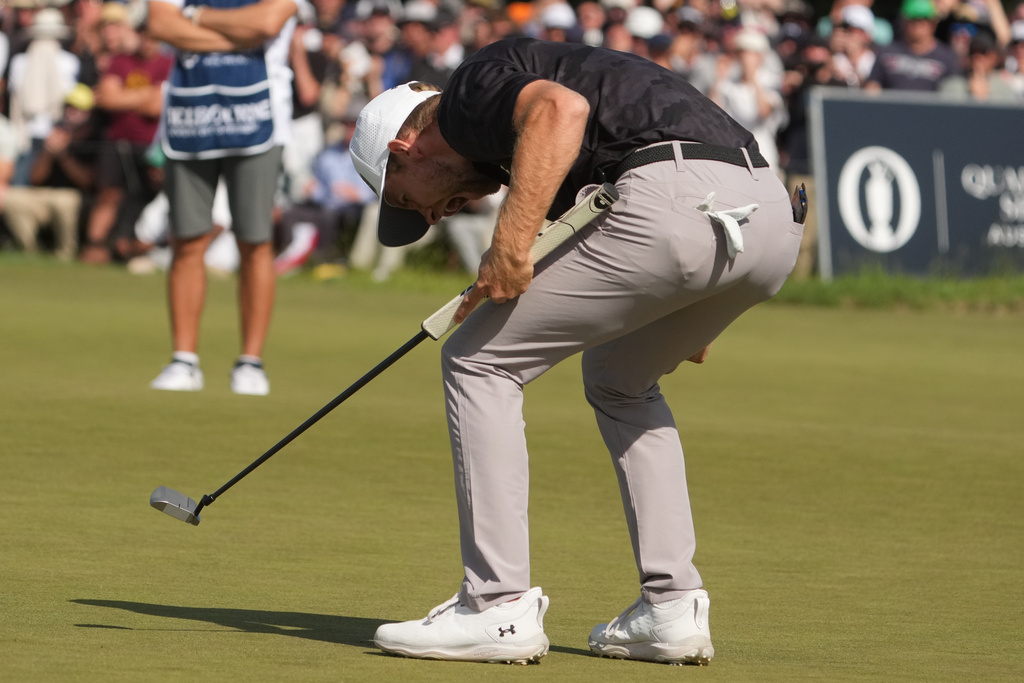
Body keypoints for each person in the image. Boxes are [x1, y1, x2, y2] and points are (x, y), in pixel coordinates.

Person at [351, 38, 804, 665]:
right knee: (620, 376)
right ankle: (671, 609)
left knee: (477, 360)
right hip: (770, 225)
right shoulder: (522, 155)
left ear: (406, 148)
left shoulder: (464, 96)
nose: (433, 215)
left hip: (675, 203)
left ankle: (496, 607)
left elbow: (559, 112)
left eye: (407, 199)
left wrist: (508, 242)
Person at [146, 0, 309, 395]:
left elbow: (268, 22)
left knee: (254, 240)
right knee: (186, 238)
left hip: (259, 119)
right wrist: (236, 33)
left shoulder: (196, 9)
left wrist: (197, 17)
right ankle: (184, 360)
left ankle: (250, 363)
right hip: (190, 118)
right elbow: (160, 25)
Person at [864, 0, 962, 92]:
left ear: (933, 23)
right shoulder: (886, 53)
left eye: (924, 19)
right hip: (891, 109)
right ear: (903, 21)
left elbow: (952, 98)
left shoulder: (946, 57)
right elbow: (872, 88)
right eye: (913, 19)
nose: (918, 25)